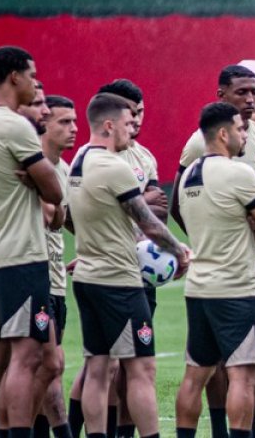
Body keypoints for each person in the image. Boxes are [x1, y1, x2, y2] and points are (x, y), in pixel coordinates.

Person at [68, 93, 190, 438]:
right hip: (119, 282)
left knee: (96, 367)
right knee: (142, 369)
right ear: (109, 125)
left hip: (89, 277)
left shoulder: (78, 161)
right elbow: (149, 222)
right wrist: (179, 250)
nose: (131, 129)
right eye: (126, 123)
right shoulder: (114, 166)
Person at [173, 65, 255, 438]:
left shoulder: (189, 175)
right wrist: (248, 222)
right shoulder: (239, 173)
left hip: (200, 285)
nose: (245, 132)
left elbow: (182, 207)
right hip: (237, 284)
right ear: (223, 133)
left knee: (194, 373)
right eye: (238, 129)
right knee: (243, 372)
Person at [0, 46, 65, 438]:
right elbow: (53, 191)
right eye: (32, 75)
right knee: (27, 355)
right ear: (14, 76)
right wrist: (42, 179)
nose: (36, 83)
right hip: (19, 255)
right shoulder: (14, 125)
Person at [91, 79, 166, 438]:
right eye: (129, 114)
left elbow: (158, 207)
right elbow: (91, 211)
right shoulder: (100, 158)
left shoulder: (144, 156)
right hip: (114, 272)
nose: (134, 121)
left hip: (142, 271)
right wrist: (138, 206)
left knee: (127, 362)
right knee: (111, 364)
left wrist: (136, 205)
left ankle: (122, 431)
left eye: (140, 113)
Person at [36, 95, 76, 438]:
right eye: (64, 122)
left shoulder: (63, 170)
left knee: (46, 367)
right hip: (32, 279)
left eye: (75, 122)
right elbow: (52, 217)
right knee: (49, 364)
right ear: (43, 125)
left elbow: (64, 220)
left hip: (57, 280)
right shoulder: (31, 163)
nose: (73, 129)